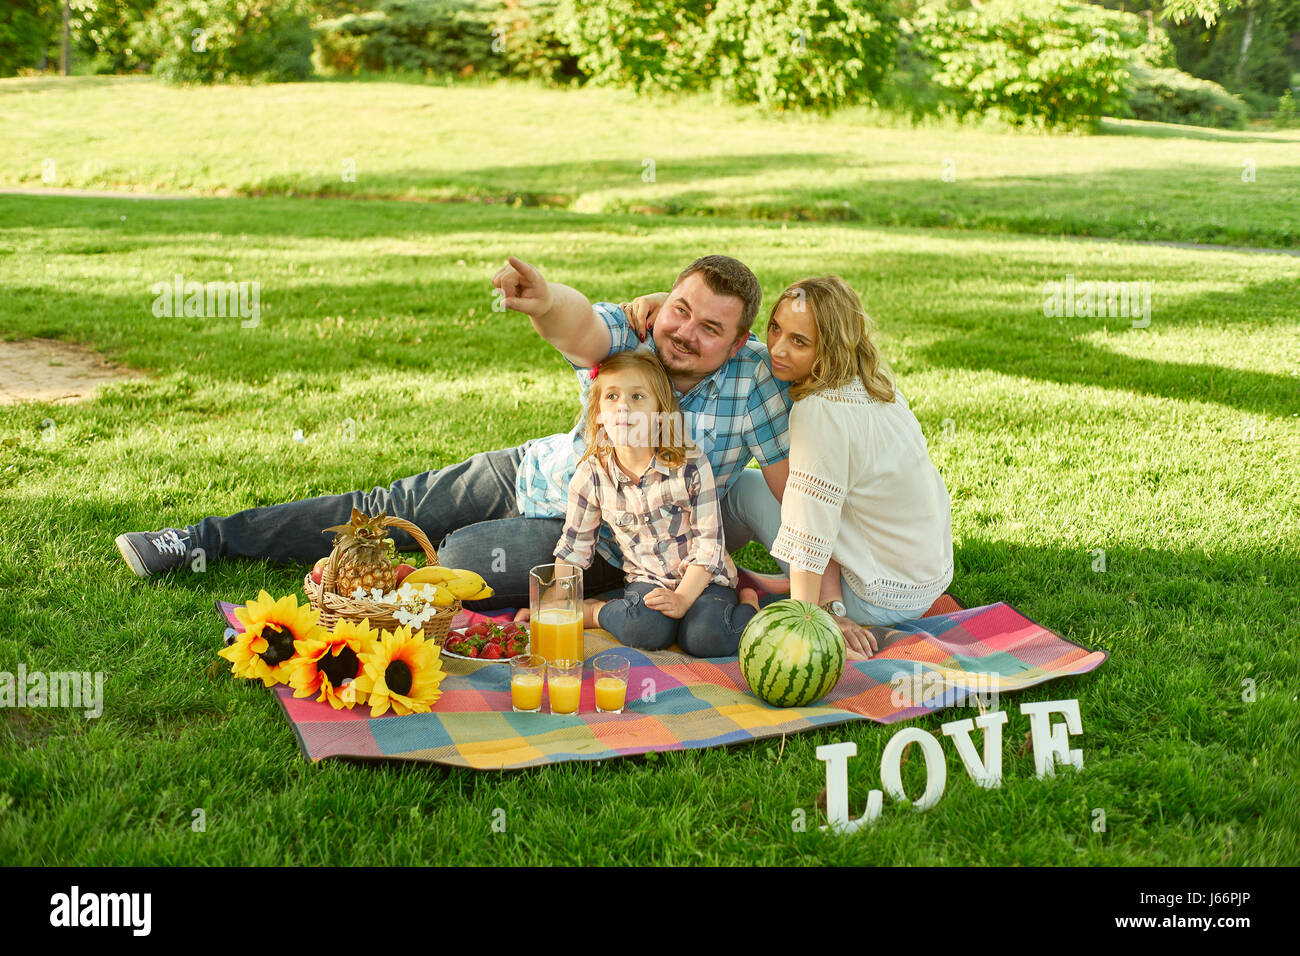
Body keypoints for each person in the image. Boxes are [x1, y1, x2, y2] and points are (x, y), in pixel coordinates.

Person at [115, 255, 793, 614]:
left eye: (711, 328)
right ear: (665, 301)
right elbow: (578, 324)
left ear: (737, 342)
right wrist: (544, 297)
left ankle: (398, 588)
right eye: (682, 309)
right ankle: (201, 540)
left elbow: (792, 482)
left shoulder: (754, 380)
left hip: (586, 537)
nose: (686, 332)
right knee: (380, 512)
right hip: (527, 471)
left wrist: (816, 589)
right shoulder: (634, 332)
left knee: (463, 560)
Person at [626, 277, 953, 661]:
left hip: (874, 598)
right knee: (750, 485)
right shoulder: (873, 380)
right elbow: (741, 344)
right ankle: (745, 577)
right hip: (926, 580)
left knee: (738, 495)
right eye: (776, 328)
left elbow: (808, 527)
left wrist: (820, 618)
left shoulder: (820, 410)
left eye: (799, 342)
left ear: (829, 347)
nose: (778, 349)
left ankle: (683, 569)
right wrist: (668, 303)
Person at [546, 349, 760, 657]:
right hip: (648, 580)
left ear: (660, 411)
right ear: (598, 415)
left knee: (707, 638)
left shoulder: (690, 465)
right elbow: (574, 548)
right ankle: (594, 613)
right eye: (612, 397)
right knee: (643, 630)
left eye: (637, 397)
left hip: (704, 580)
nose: (623, 408)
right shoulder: (591, 475)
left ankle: (749, 602)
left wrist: (684, 599)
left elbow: (709, 546)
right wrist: (558, 603)